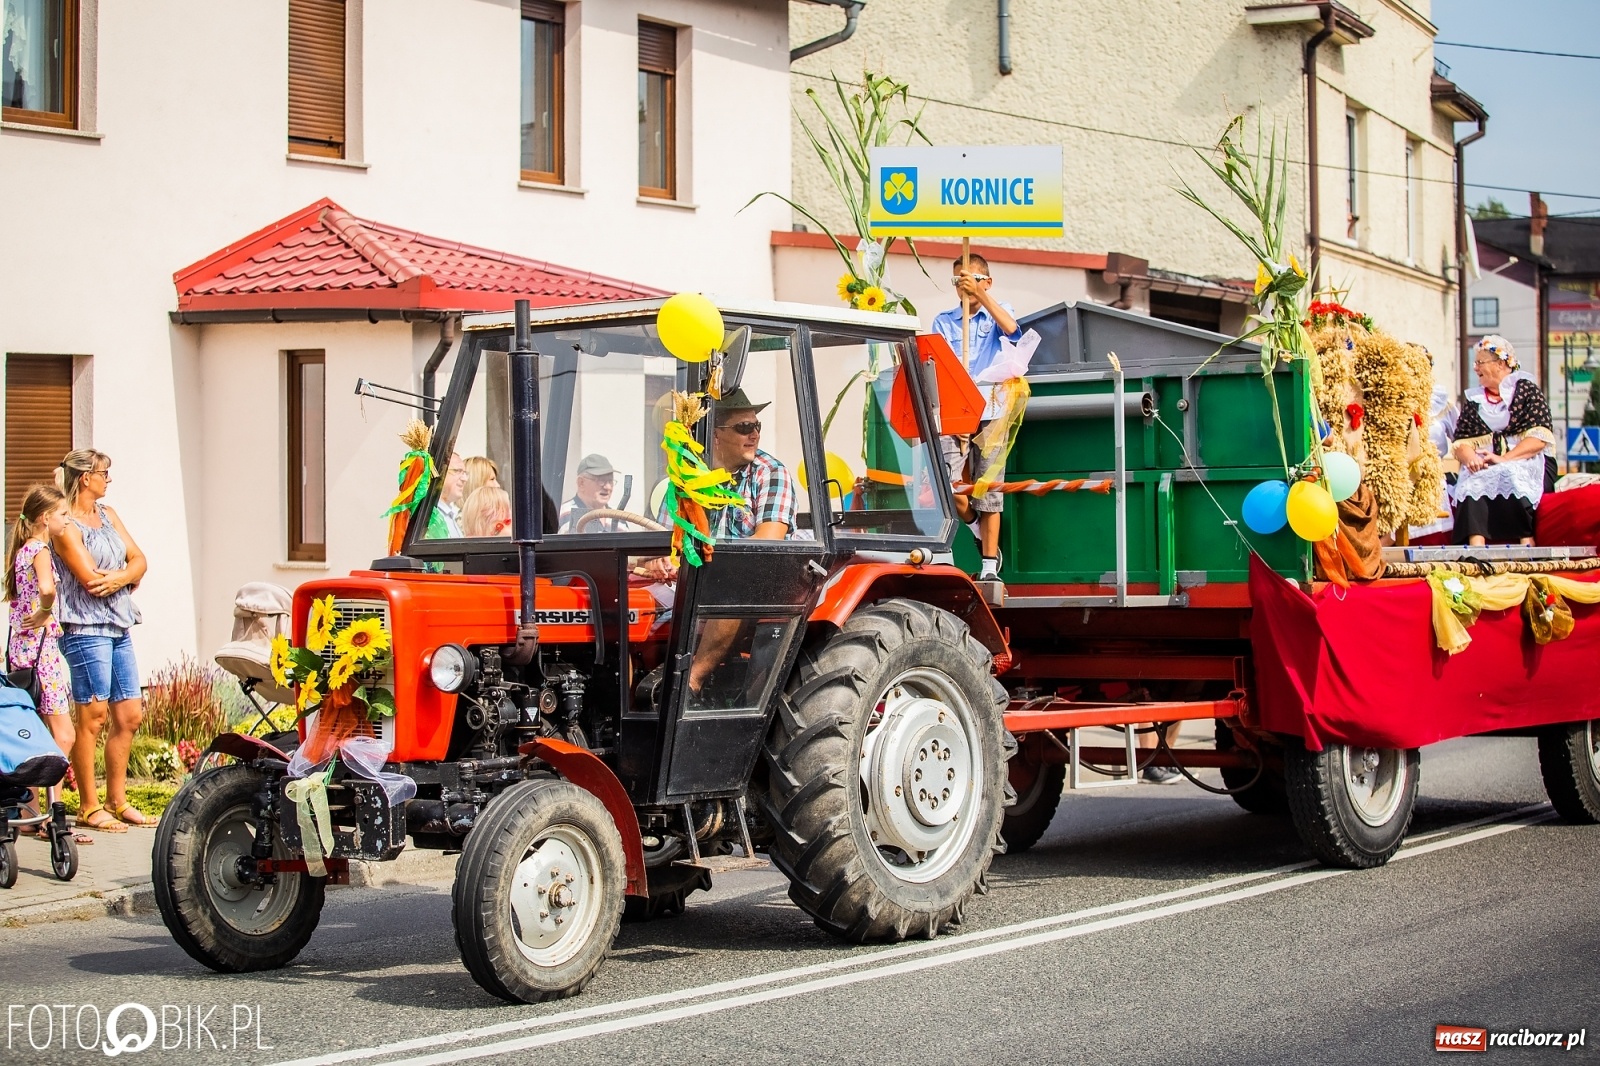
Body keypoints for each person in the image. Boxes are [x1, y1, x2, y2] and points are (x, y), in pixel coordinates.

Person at [52, 450, 153, 832]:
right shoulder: (66, 526)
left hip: (118, 625)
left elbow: (140, 558)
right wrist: (125, 577)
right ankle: (89, 806)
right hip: (84, 630)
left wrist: (122, 576)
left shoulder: (108, 515)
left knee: (129, 715)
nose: (108, 479)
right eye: (103, 473)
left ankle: (117, 800)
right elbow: (89, 579)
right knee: (92, 718)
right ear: (84, 479)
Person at [931, 253, 1022, 581]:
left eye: (969, 279)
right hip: (956, 410)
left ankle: (987, 567)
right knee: (947, 484)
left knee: (989, 486)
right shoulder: (943, 321)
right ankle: (976, 527)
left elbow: (1014, 332)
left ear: (987, 281)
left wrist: (980, 295)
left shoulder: (1000, 311)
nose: (963, 286)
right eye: (958, 281)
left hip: (992, 409)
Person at [6, 485, 89, 839]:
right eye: (63, 516)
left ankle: (31, 808)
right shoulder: (40, 549)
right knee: (63, 734)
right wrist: (44, 612)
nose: (67, 521)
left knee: (34, 729)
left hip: (20, 652)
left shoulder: (21, 550)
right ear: (45, 518)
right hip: (43, 653)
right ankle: (50, 815)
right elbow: (48, 589)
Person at [1451, 336, 1554, 546]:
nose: (1475, 368)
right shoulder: (1475, 401)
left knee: (1511, 475)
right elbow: (1461, 442)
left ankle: (1527, 545)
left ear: (1500, 364)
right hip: (1487, 461)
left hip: (1526, 460)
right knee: (1472, 481)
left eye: (1480, 362)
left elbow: (1539, 438)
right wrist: (1471, 458)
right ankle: (1475, 550)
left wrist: (1504, 459)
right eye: (1475, 362)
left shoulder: (1526, 391)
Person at [560, 454, 624, 533]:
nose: (608, 487)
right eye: (601, 480)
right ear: (581, 483)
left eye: (610, 481)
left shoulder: (619, 518)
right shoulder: (564, 515)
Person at [428, 452, 468, 538]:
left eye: (464, 473)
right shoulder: (430, 516)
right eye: (457, 471)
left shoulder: (450, 514)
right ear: (439, 472)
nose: (465, 479)